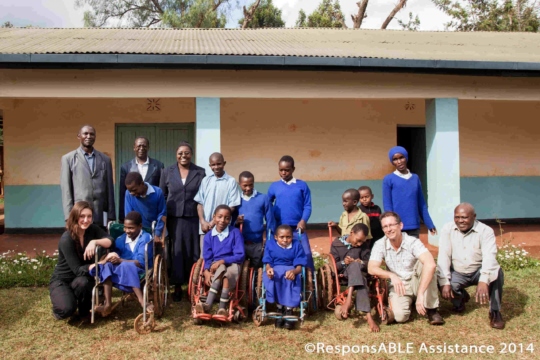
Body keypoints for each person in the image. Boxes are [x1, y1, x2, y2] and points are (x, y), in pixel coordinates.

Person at [368, 211, 444, 325]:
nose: (389, 229)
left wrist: (421, 294)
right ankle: (410, 302)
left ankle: (432, 310)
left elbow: (430, 264)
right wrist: (391, 275)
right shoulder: (380, 244)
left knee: (426, 265)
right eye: (385, 226)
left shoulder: (412, 242)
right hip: (400, 284)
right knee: (399, 317)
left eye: (392, 225)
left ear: (400, 225)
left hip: (417, 280)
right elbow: (371, 268)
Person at [437, 203, 505, 329]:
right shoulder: (447, 229)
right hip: (457, 271)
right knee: (440, 276)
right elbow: (443, 256)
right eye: (457, 217)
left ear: (474, 217)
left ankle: (495, 312)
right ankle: (460, 300)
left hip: (478, 271)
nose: (460, 221)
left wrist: (484, 280)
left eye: (464, 217)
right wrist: (444, 282)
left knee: (496, 273)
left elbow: (489, 258)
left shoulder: (486, 231)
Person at [49, 201, 113, 320]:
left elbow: (110, 240)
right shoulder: (67, 239)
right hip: (62, 280)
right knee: (67, 309)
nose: (86, 220)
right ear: (75, 217)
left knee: (84, 281)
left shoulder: (92, 229)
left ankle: (84, 311)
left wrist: (95, 241)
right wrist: (99, 263)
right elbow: (78, 270)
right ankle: (62, 303)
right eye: (82, 216)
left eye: (89, 216)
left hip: (80, 279)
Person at [159, 141, 206, 302]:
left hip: (193, 217)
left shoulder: (200, 172)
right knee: (176, 251)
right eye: (180, 153)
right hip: (175, 218)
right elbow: (162, 195)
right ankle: (177, 285)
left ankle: (193, 286)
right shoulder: (166, 172)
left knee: (193, 250)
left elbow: (203, 195)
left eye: (186, 152)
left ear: (191, 154)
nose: (183, 156)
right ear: (176, 155)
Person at [90, 211, 153, 317]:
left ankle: (142, 301)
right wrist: (113, 258)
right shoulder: (121, 239)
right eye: (125, 227)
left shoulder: (146, 238)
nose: (127, 231)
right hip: (121, 269)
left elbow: (140, 262)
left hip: (139, 268)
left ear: (140, 226)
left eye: (131, 228)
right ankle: (108, 304)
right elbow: (116, 256)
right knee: (107, 266)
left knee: (127, 265)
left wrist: (120, 261)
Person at [61, 125, 116, 227]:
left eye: (92, 134)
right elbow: (66, 191)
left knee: (99, 241)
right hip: (79, 214)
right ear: (79, 136)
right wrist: (68, 217)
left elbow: (109, 189)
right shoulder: (68, 159)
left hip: (100, 213)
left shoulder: (105, 159)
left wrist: (111, 215)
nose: (89, 136)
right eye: (85, 134)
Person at [195, 205, 245, 316]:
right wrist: (206, 271)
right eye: (219, 217)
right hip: (216, 265)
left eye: (227, 218)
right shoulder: (208, 236)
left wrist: (222, 261)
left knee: (227, 274)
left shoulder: (235, 233)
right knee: (220, 270)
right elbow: (207, 257)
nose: (222, 220)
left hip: (233, 263)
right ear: (214, 217)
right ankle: (208, 305)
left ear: (230, 220)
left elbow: (240, 255)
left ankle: (221, 308)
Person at [267, 155, 314, 271]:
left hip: (297, 229)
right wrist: (271, 224)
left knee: (306, 254)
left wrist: (303, 220)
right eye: (281, 170)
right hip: (280, 230)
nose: (284, 172)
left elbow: (307, 205)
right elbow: (267, 206)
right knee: (276, 255)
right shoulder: (274, 186)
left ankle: (309, 282)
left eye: (287, 170)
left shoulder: (302, 185)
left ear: (293, 169)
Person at [330, 223, 379, 332]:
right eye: (358, 240)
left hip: (360, 273)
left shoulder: (364, 246)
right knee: (355, 269)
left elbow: (369, 263)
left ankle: (349, 299)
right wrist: (344, 262)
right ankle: (369, 316)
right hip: (344, 274)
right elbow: (333, 266)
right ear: (351, 233)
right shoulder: (336, 244)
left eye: (362, 241)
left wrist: (360, 262)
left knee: (356, 267)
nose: (359, 243)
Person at [382, 146, 435, 239]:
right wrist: (390, 224)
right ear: (392, 162)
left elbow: (421, 203)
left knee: (413, 251)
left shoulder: (415, 178)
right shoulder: (388, 179)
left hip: (413, 225)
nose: (399, 161)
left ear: (406, 157)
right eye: (395, 159)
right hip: (397, 226)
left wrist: (429, 224)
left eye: (401, 157)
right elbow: (387, 204)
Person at [262, 225, 307, 330]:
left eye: (288, 237)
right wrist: (269, 270)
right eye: (282, 237)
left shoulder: (296, 245)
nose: (285, 240)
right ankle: (279, 308)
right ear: (276, 237)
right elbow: (268, 262)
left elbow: (299, 266)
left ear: (292, 237)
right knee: (274, 277)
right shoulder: (270, 245)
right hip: (275, 269)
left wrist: (294, 272)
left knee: (289, 278)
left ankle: (289, 309)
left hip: (291, 269)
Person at [194, 152, 241, 251]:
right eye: (213, 165)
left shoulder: (231, 181)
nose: (216, 167)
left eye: (219, 164)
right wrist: (203, 222)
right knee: (205, 258)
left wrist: (214, 221)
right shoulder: (205, 180)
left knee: (222, 256)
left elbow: (232, 206)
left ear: (224, 163)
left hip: (223, 228)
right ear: (209, 165)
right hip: (206, 229)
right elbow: (200, 203)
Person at [119, 137, 164, 223]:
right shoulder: (126, 167)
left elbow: (161, 188)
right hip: (134, 208)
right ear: (134, 148)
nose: (141, 148)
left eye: (144, 146)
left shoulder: (158, 166)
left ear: (148, 147)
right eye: (139, 146)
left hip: (152, 210)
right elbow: (123, 193)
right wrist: (122, 218)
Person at [235, 171, 275, 268]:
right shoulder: (235, 200)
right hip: (240, 242)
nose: (248, 188)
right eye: (245, 186)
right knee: (240, 268)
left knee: (257, 269)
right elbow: (230, 221)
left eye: (250, 185)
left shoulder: (263, 198)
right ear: (239, 184)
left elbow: (270, 221)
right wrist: (236, 221)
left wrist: (269, 241)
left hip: (257, 242)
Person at [124, 172, 167, 244]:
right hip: (138, 232)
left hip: (156, 230)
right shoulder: (128, 194)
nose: (132, 193)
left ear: (142, 184)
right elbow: (129, 215)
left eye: (134, 190)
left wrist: (157, 233)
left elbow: (162, 214)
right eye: (130, 191)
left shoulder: (157, 192)